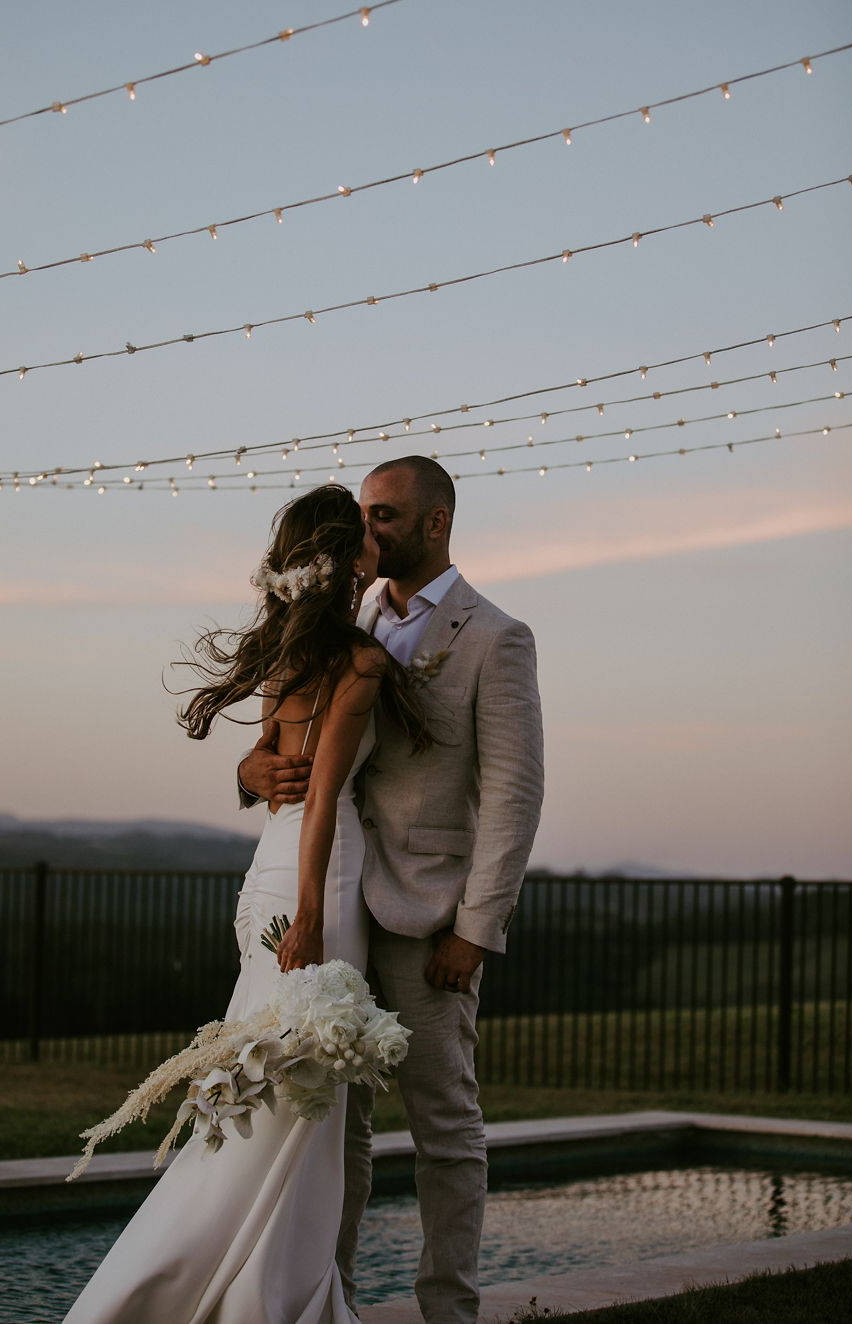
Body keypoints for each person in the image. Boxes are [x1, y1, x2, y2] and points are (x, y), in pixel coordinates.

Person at [63, 484, 431, 1324]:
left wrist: (253, 781)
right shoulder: (362, 665)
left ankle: (259, 1278)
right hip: (314, 877)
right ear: (345, 561)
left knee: (276, 1079)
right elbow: (322, 800)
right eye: (363, 533)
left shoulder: (285, 660)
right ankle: (267, 1289)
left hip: (264, 868)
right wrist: (309, 915)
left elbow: (269, 775)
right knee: (305, 1090)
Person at [239, 456, 544, 1324]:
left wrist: (476, 930)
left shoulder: (496, 637)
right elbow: (301, 755)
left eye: (384, 517)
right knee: (339, 1124)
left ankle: (448, 1308)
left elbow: (516, 794)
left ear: (436, 522)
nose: (365, 535)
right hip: (337, 905)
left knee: (444, 1127)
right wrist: (248, 767)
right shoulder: (351, 619)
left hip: (428, 915)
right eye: (365, 517)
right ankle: (330, 1296)